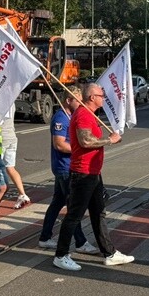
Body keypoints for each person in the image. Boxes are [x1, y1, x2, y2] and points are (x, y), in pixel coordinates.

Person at [52, 83, 134, 272]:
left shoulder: (89, 114)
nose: (103, 98)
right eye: (101, 95)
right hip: (83, 173)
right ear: (91, 97)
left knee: (98, 213)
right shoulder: (83, 114)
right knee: (74, 215)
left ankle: (109, 253)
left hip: (92, 172)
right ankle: (61, 255)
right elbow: (85, 141)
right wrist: (110, 140)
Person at [38, 86, 98, 253]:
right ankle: (80, 242)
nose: (80, 104)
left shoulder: (71, 116)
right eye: (77, 101)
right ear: (68, 100)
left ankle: (45, 236)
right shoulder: (61, 118)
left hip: (67, 166)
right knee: (74, 206)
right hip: (64, 167)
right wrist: (80, 148)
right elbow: (59, 144)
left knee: (58, 202)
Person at [0, 110, 31, 209]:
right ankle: (22, 194)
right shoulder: (11, 101)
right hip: (11, 137)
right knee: (10, 167)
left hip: (0, 139)